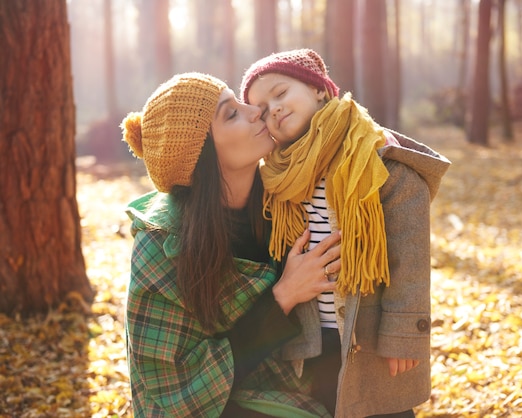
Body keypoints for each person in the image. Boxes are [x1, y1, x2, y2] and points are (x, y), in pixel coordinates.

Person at [240, 49, 451, 418]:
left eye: (280, 93)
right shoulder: (276, 176)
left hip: (369, 337)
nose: (271, 109)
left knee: (380, 408)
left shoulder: (375, 157)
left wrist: (403, 332)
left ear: (319, 90)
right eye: (260, 109)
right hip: (308, 340)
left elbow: (410, 255)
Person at [120, 72, 343, 417]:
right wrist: (283, 296)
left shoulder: (285, 202)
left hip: (291, 386)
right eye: (232, 114)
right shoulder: (162, 245)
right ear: (202, 156)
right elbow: (175, 392)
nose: (255, 111)